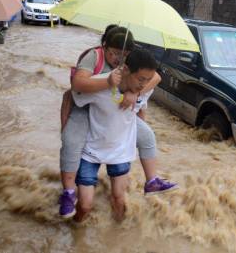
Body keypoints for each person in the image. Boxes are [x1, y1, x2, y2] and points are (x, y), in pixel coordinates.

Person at [59, 26, 177, 218]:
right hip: (88, 106)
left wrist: (134, 92)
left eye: (124, 54)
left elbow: (152, 80)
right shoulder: (94, 59)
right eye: (114, 53)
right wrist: (64, 125)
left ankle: (152, 180)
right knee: (71, 142)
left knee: (147, 135)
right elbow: (74, 89)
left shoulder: (134, 74)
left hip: (115, 125)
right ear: (104, 47)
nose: (118, 59)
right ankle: (68, 192)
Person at [73, 48, 158, 222]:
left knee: (119, 200)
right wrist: (66, 132)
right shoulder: (99, 85)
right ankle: (75, 230)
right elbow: (72, 95)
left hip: (121, 151)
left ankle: (117, 235)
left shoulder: (143, 88)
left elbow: (153, 84)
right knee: (85, 206)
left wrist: (135, 93)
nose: (144, 84)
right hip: (91, 150)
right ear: (126, 70)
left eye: (147, 80)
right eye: (141, 79)